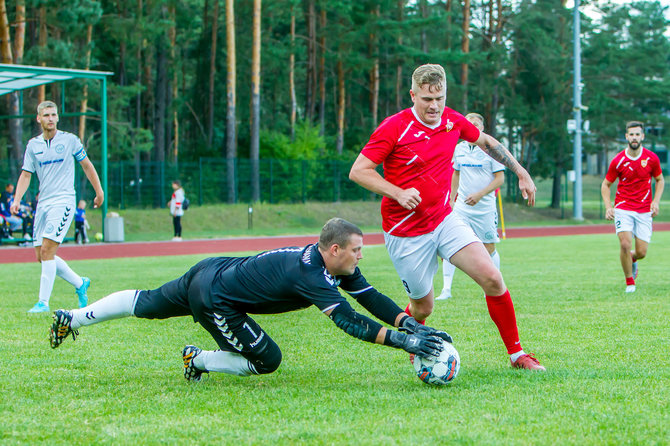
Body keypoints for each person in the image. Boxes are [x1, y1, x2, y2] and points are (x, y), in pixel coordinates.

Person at [49, 218, 451, 381]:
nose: (361, 256)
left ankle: (74, 317)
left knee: (146, 302)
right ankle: (198, 358)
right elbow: (347, 319)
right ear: (333, 250)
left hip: (212, 269)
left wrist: (409, 325)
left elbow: (369, 298)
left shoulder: (330, 264)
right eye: (356, 250)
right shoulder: (311, 274)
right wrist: (400, 343)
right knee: (268, 361)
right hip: (216, 298)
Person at [349, 63, 544, 370]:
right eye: (427, 99)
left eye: (440, 97)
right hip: (405, 232)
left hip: (443, 219)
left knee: (492, 278)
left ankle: (517, 355)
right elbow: (359, 171)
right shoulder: (394, 127)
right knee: (423, 305)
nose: (435, 105)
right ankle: (414, 338)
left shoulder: (452, 120)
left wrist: (520, 171)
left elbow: (487, 142)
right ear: (413, 95)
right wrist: (397, 192)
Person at [11, 100, 104, 313]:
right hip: (42, 203)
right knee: (41, 255)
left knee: (47, 251)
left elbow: (87, 166)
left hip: (63, 202)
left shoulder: (70, 140)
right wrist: (16, 200)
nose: (50, 118)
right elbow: (26, 174)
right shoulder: (33, 145)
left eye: (53, 115)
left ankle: (43, 303)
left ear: (58, 117)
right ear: (39, 118)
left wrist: (99, 192)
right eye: (46, 115)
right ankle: (80, 283)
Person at [438, 113, 505, 300]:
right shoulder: (459, 149)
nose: (472, 126)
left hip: (484, 208)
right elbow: (456, 175)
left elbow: (500, 178)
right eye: (469, 124)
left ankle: (493, 288)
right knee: (450, 245)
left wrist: (479, 194)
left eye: (476, 124)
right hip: (462, 208)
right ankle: (446, 290)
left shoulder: (491, 149)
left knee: (489, 247)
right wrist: (451, 198)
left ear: (482, 128)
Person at [601, 121, 664, 293]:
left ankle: (632, 260)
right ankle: (630, 282)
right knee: (625, 244)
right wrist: (609, 207)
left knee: (641, 252)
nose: (634, 137)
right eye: (631, 134)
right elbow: (606, 185)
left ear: (642, 136)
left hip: (644, 210)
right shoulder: (618, 160)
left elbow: (660, 180)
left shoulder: (652, 159)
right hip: (623, 207)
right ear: (626, 136)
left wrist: (655, 201)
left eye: (637, 134)